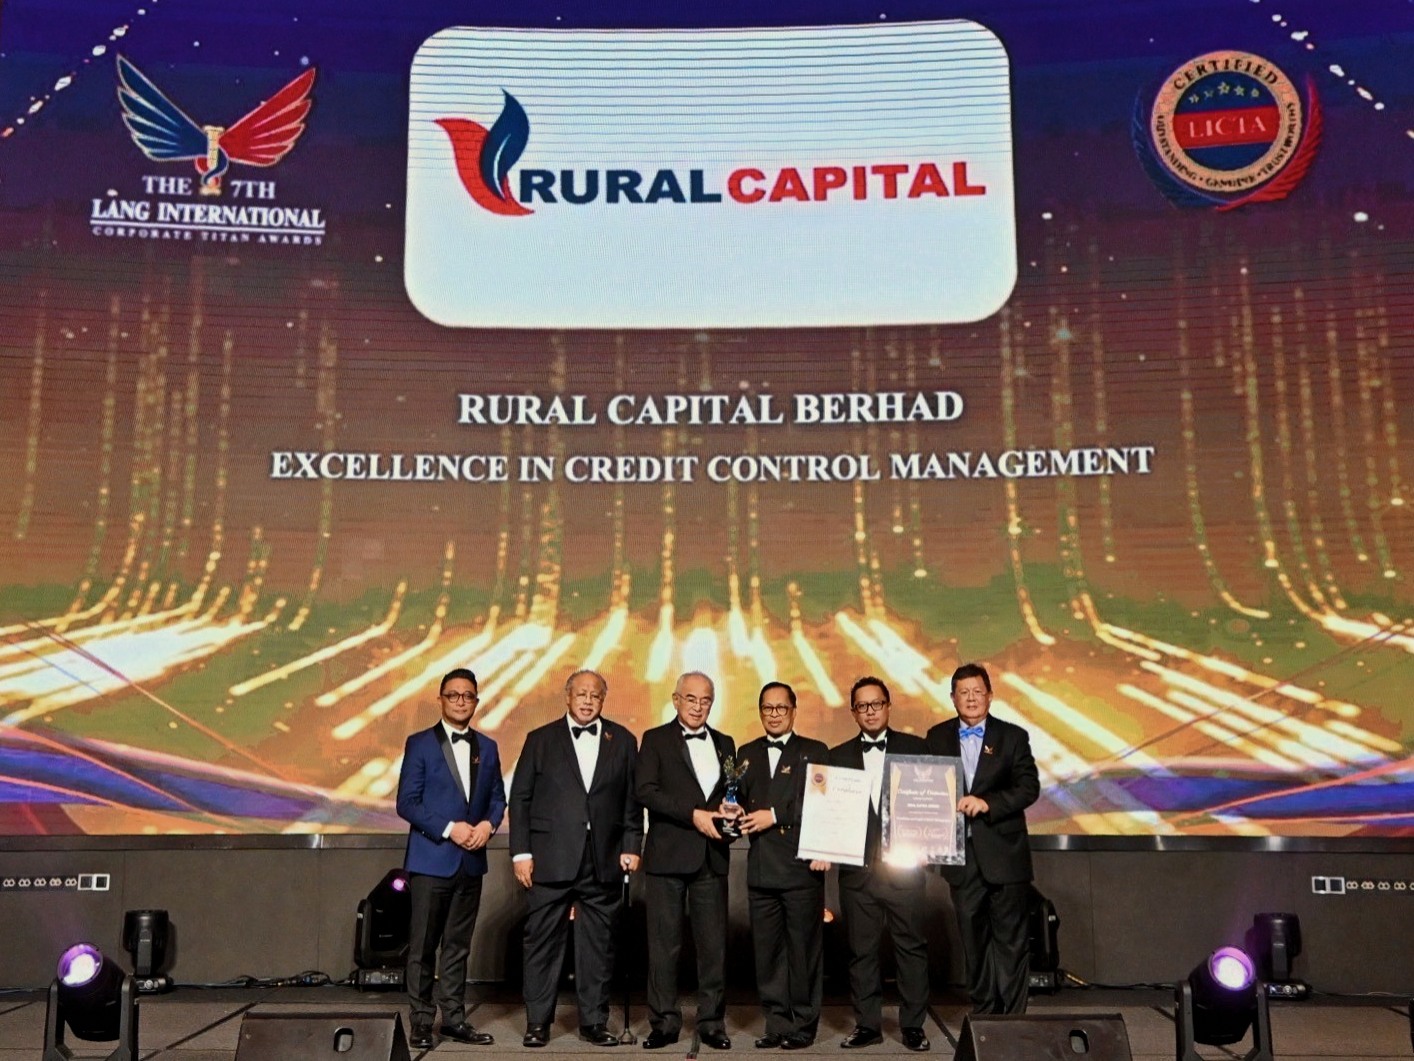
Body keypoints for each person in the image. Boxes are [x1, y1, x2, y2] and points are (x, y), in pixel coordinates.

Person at [509, 669, 643, 1048]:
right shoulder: (540, 739)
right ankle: (538, 1023)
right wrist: (521, 852)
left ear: (603, 700)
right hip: (549, 857)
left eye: (595, 695)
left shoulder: (623, 740)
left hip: (604, 858)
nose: (587, 701)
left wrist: (632, 845)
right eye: (581, 694)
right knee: (542, 942)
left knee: (598, 945)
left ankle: (594, 1022)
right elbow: (520, 798)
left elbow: (632, 801)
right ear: (567, 696)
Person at [396, 667, 506, 1050]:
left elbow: (498, 798)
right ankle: (421, 1022)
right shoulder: (420, 744)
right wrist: (449, 829)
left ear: (476, 701)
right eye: (454, 695)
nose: (461, 701)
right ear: (441, 699)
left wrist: (488, 826)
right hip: (431, 861)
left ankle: (454, 1019)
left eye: (468, 695)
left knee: (458, 946)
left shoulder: (488, 747)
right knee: (423, 947)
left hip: (471, 862)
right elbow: (407, 803)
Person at [926, 663, 1039, 1016]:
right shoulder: (936, 737)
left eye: (978, 691)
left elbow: (1028, 788)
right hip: (960, 857)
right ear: (952, 698)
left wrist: (988, 803)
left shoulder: (1013, 736)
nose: (971, 698)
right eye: (964, 692)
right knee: (973, 942)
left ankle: (1014, 1018)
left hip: (1005, 854)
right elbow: (924, 789)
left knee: (1011, 942)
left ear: (990, 696)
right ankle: (985, 1014)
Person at [828, 676, 931, 1052]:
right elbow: (829, 814)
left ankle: (913, 1026)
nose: (870, 711)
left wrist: (931, 843)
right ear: (853, 712)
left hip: (904, 870)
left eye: (876, 704)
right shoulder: (836, 756)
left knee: (911, 950)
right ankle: (867, 1025)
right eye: (862, 706)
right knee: (861, 954)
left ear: (889, 706)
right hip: (856, 875)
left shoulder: (916, 749)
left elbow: (933, 803)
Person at [635, 671, 736, 1050]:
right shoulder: (655, 739)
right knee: (664, 946)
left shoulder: (725, 742)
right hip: (668, 856)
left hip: (712, 856)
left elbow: (730, 793)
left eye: (705, 700)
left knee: (713, 947)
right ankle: (664, 1022)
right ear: (676, 700)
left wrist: (731, 812)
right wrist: (692, 814)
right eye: (691, 699)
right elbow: (645, 791)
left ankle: (711, 1023)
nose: (698, 707)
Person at [733, 682, 830, 1050]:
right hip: (761, 868)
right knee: (768, 952)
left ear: (793, 711)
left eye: (781, 708)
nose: (774, 715)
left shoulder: (815, 750)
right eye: (767, 708)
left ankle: (803, 1024)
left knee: (803, 952)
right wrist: (731, 811)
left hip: (800, 867)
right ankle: (776, 1022)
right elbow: (738, 801)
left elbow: (821, 803)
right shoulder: (746, 753)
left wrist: (774, 815)